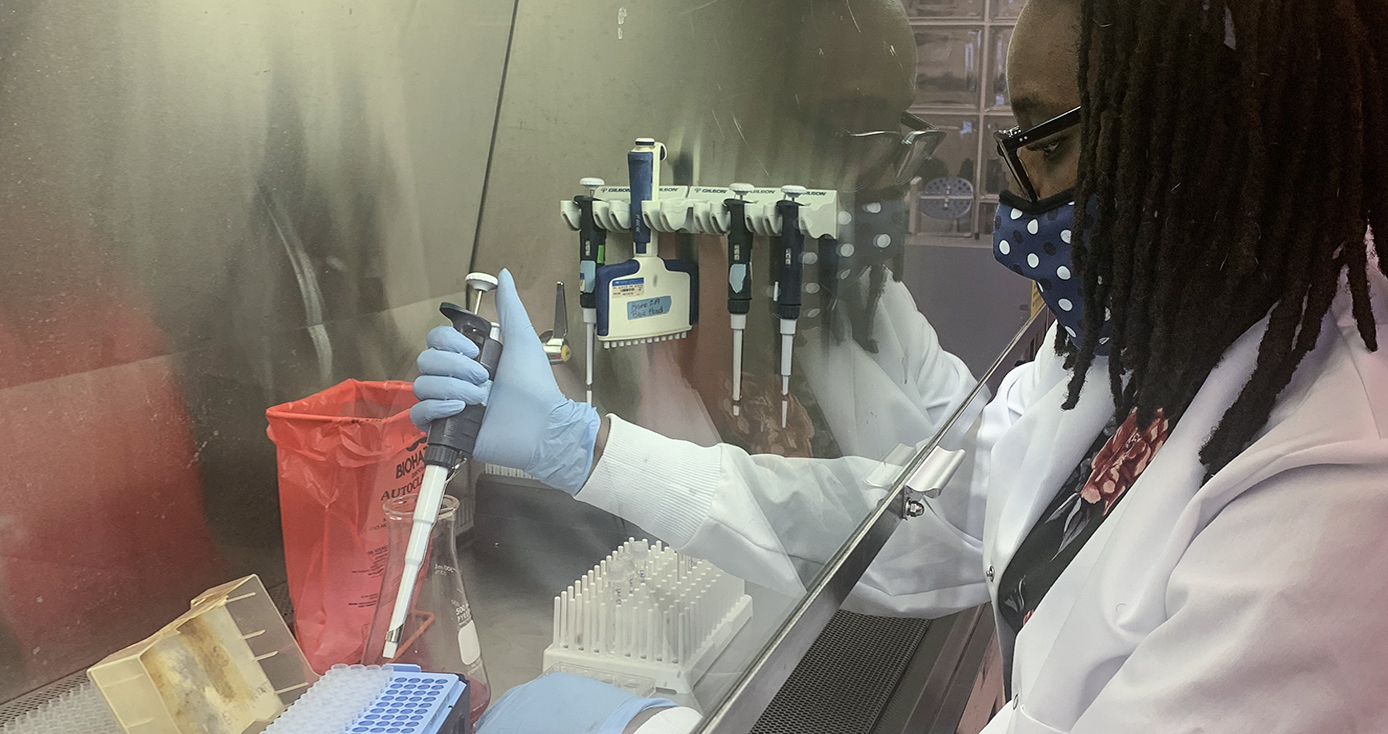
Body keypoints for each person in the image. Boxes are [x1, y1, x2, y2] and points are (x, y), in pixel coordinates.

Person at [417, 0, 1388, 730]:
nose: (1013, 199)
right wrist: (584, 444)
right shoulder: (1151, 330)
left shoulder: (1331, 492)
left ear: (1208, 132)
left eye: (1041, 141)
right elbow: (941, 508)